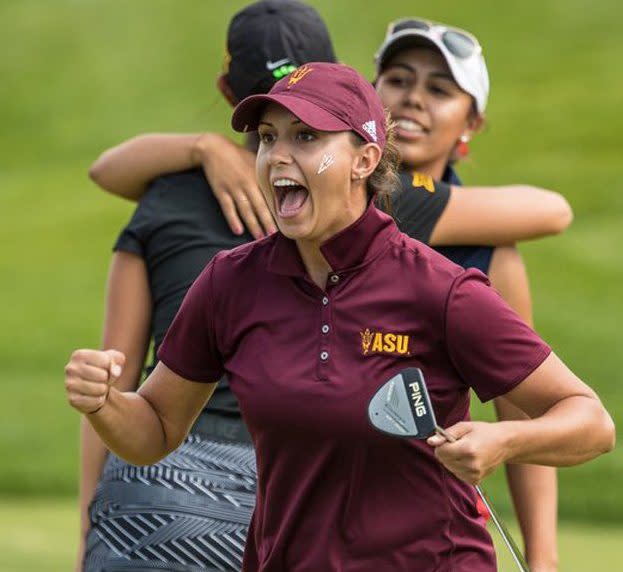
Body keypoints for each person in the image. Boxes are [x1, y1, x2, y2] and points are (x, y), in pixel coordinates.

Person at [65, 61, 615, 572]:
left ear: (364, 160)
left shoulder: (439, 290)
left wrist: (503, 442)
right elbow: (157, 429)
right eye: (268, 137)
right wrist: (106, 403)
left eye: (305, 136)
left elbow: (591, 422)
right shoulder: (230, 282)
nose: (278, 155)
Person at [75, 2, 339, 571]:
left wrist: (88, 527)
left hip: (150, 493)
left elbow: (113, 382)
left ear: (228, 91)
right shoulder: (364, 208)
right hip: (293, 494)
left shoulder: (163, 196)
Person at [372, 18, 560, 570]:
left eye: (439, 89)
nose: (412, 98)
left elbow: (522, 411)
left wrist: (543, 558)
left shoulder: (491, 254)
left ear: (471, 121)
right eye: (399, 79)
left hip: (434, 531)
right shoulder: (326, 204)